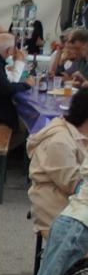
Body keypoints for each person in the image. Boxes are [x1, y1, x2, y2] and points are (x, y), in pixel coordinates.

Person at [28, 91, 88, 245]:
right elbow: (74, 185)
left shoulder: (77, 135)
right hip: (56, 207)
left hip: (71, 202)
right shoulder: (59, 141)